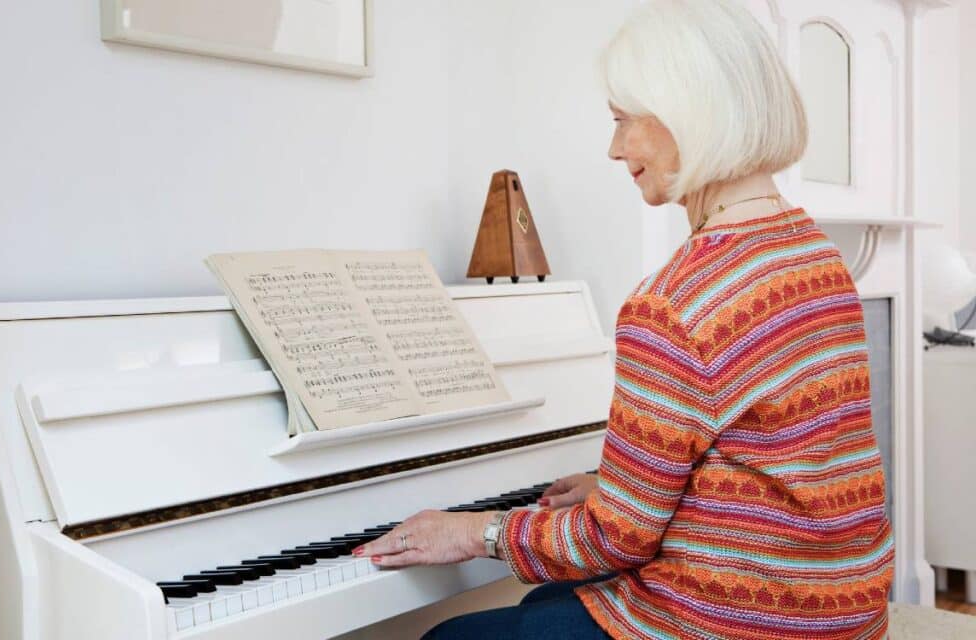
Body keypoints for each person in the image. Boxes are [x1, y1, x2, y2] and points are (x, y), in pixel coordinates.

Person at [353, 1, 894, 637]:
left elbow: (614, 543)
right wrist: (619, 488)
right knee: (540, 610)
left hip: (743, 619)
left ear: (686, 114)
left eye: (621, 120)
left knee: (449, 636)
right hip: (841, 604)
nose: (614, 149)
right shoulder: (813, 255)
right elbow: (771, 457)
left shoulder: (674, 303)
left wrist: (475, 530)